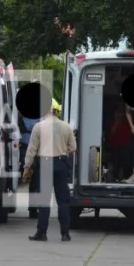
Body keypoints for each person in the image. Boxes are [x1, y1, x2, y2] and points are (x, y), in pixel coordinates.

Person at [23, 99, 76, 242]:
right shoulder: (66, 126)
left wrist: (27, 166)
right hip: (61, 163)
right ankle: (65, 233)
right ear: (57, 111)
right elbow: (73, 147)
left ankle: (42, 233)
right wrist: (62, 150)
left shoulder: (39, 127)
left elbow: (32, 149)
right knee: (63, 201)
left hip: (45, 163)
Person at [105, 106, 133, 181]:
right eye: (117, 113)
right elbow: (111, 133)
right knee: (115, 162)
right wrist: (117, 122)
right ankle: (115, 177)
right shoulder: (111, 123)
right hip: (115, 146)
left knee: (126, 163)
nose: (119, 115)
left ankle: (126, 177)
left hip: (126, 146)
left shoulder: (126, 122)